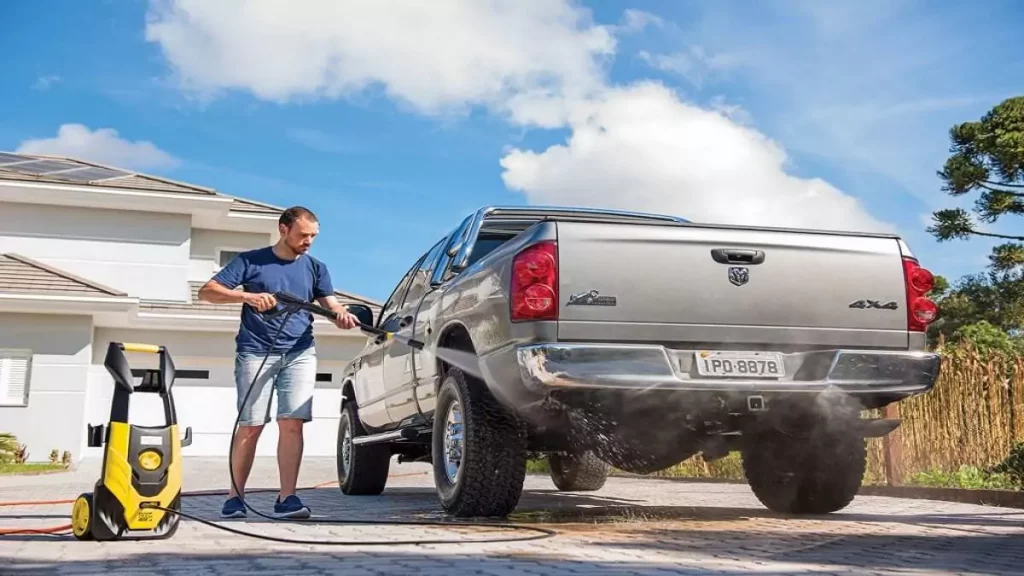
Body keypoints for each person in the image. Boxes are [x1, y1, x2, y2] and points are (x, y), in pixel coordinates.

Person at [197, 205, 360, 519]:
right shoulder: (251, 261)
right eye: (302, 235)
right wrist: (246, 297)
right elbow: (208, 291)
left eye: (313, 236)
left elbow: (330, 303)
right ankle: (235, 498)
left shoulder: (315, 268)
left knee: (292, 424)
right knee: (251, 425)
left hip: (299, 352)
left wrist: (341, 314)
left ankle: (287, 498)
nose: (308, 241)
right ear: (283, 229)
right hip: (256, 350)